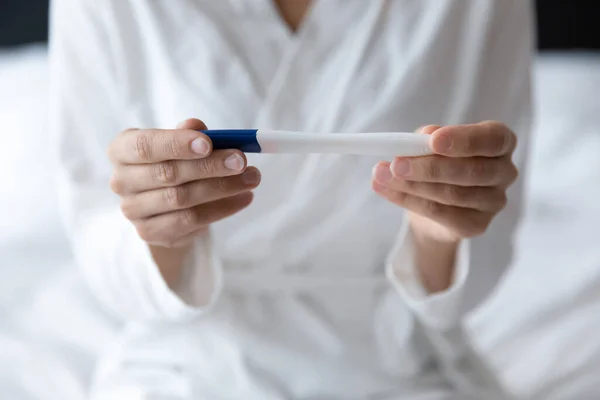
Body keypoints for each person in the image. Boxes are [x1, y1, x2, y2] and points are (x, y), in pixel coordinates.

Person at [49, 0, 533, 399]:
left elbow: (486, 258)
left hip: (402, 362)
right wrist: (163, 233)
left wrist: (439, 235)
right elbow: (95, 220)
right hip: (187, 364)